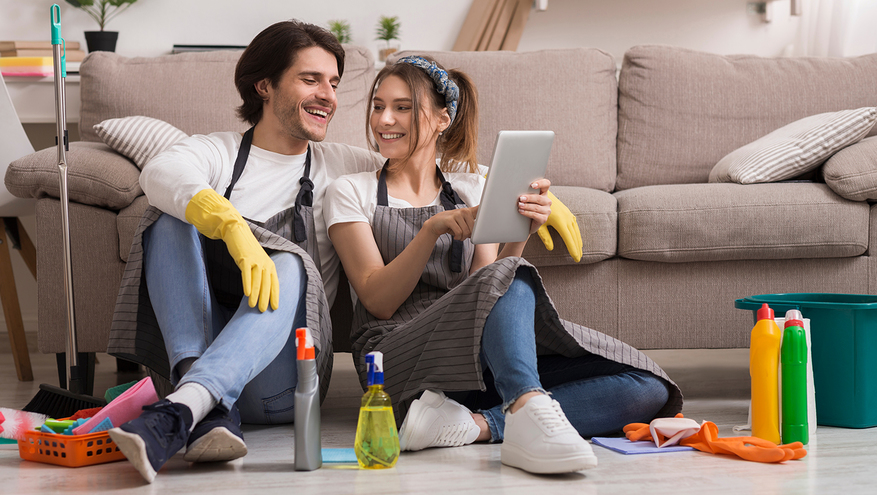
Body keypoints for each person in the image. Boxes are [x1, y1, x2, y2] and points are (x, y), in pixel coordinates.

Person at [324, 56, 683, 474]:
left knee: (648, 388)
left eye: (403, 107)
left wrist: (522, 230)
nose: (385, 119)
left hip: (471, 359)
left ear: (443, 119)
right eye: (378, 105)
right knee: (504, 278)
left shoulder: (471, 187)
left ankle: (481, 423)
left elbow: (489, 289)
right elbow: (376, 299)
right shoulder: (351, 190)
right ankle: (527, 412)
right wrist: (430, 232)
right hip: (394, 359)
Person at [105, 20, 385, 483]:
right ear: (264, 86)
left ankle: (181, 409)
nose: (329, 96)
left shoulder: (346, 164)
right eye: (310, 79)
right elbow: (160, 172)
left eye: (333, 83)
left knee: (292, 263)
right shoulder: (216, 152)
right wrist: (230, 224)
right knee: (169, 215)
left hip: (286, 381)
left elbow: (440, 174)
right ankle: (202, 408)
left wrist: (534, 192)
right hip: (199, 356)